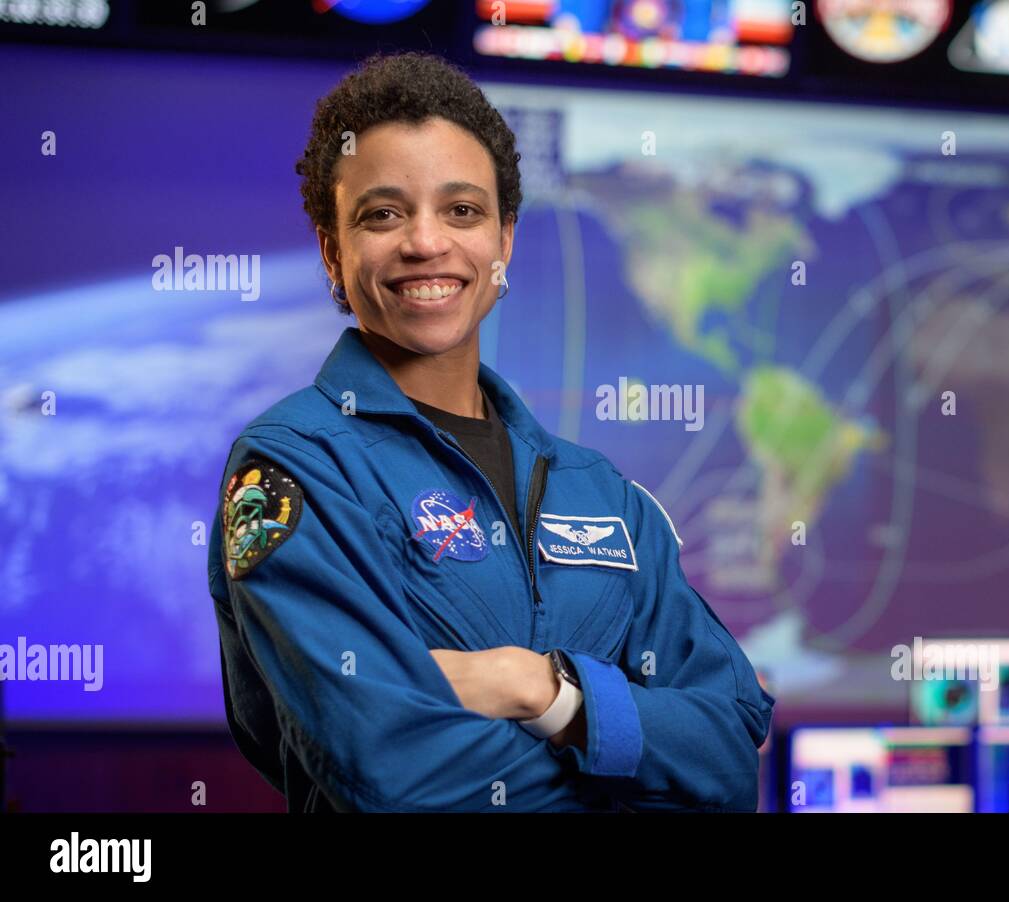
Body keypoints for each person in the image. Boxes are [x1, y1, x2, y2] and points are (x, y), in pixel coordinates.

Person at [207, 51, 775, 812]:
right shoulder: (296, 467)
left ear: (504, 239)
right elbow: (388, 769)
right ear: (331, 250)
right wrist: (628, 768)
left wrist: (539, 688)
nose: (425, 242)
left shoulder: (601, 492)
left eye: (462, 210)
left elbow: (732, 753)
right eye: (381, 214)